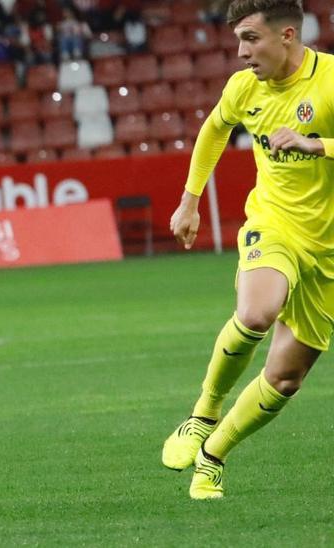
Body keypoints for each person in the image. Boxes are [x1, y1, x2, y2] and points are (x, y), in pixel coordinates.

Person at [161, 0, 334, 500]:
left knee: (284, 381)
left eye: (251, 39)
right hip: (274, 223)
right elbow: (215, 128)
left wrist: (316, 145)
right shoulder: (243, 88)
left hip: (328, 251)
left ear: (287, 35)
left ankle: (213, 456)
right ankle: (203, 413)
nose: (241, 53)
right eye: (238, 40)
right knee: (257, 313)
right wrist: (189, 201)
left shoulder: (327, 82)